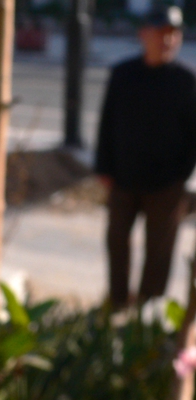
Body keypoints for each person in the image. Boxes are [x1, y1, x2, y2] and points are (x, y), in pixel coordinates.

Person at [95, 5, 196, 309]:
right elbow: (106, 124)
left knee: (160, 250)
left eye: (173, 34)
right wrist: (103, 168)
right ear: (144, 35)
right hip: (123, 179)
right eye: (161, 33)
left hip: (166, 185)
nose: (167, 40)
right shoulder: (123, 74)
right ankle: (117, 302)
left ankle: (147, 308)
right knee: (117, 242)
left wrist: (181, 177)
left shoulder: (186, 80)